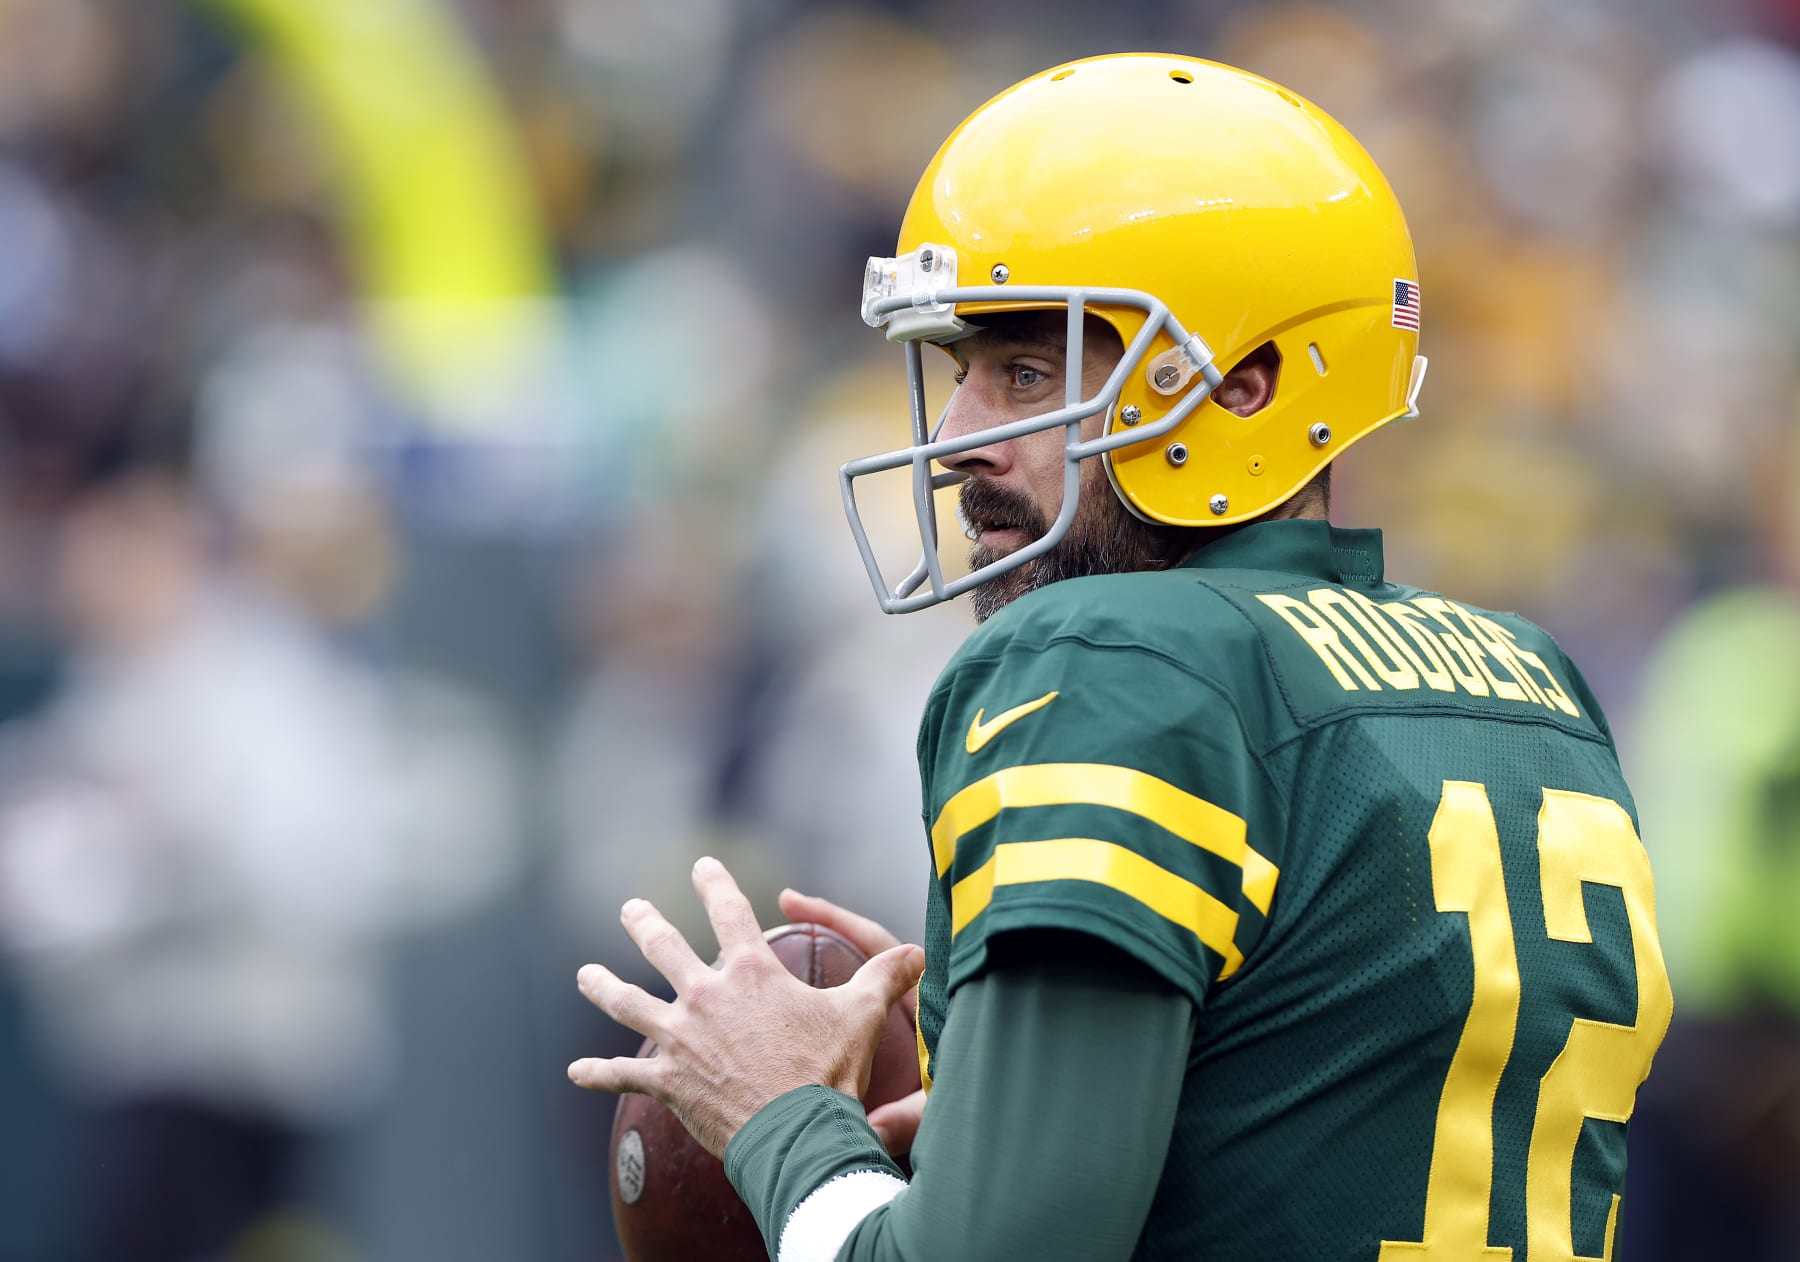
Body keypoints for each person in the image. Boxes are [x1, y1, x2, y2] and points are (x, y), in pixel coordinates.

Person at [569, 54, 1672, 1260]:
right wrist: (1045, 1102)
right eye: (960, 375)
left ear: (1245, 387)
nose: (953, 443)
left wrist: (782, 1123)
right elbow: (1332, 1114)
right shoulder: (1526, 678)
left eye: (1029, 372)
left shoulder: (1108, 655)